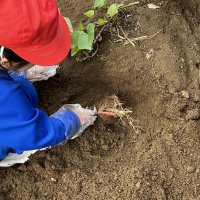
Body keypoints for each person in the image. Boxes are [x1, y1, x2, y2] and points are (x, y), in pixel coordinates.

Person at [0, 0, 97, 167]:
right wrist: (72, 119)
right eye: (33, 59)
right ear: (6, 63)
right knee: (21, 100)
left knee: (24, 91)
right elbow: (35, 133)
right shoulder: (6, 96)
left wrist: (18, 72)